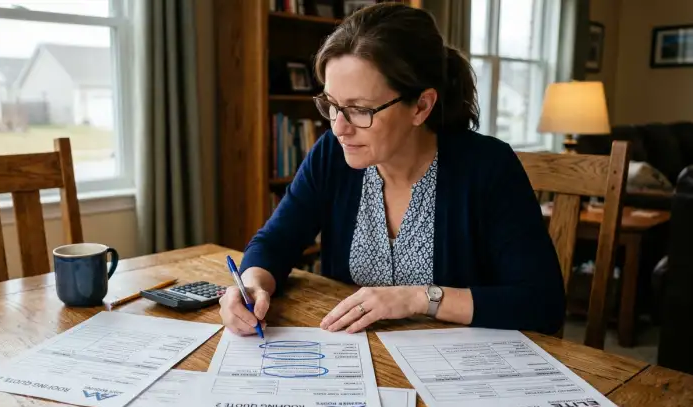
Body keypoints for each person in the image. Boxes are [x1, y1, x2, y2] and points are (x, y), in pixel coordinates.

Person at [218, 3, 564, 337]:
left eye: (359, 110)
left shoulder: (489, 167)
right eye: (332, 105)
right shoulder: (332, 155)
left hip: (463, 366)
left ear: (421, 106)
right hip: (356, 357)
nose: (338, 128)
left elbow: (543, 303)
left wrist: (418, 298)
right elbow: (276, 242)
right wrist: (251, 285)